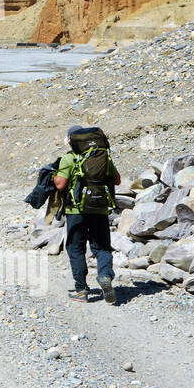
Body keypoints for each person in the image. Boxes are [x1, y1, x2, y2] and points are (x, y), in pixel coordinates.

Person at [53, 125, 122, 303]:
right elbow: (117, 179)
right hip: (99, 209)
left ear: (71, 141)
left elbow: (60, 185)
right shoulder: (103, 157)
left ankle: (81, 289)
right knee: (102, 247)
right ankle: (105, 275)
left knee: (76, 248)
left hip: (76, 211)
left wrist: (53, 175)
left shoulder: (69, 158)